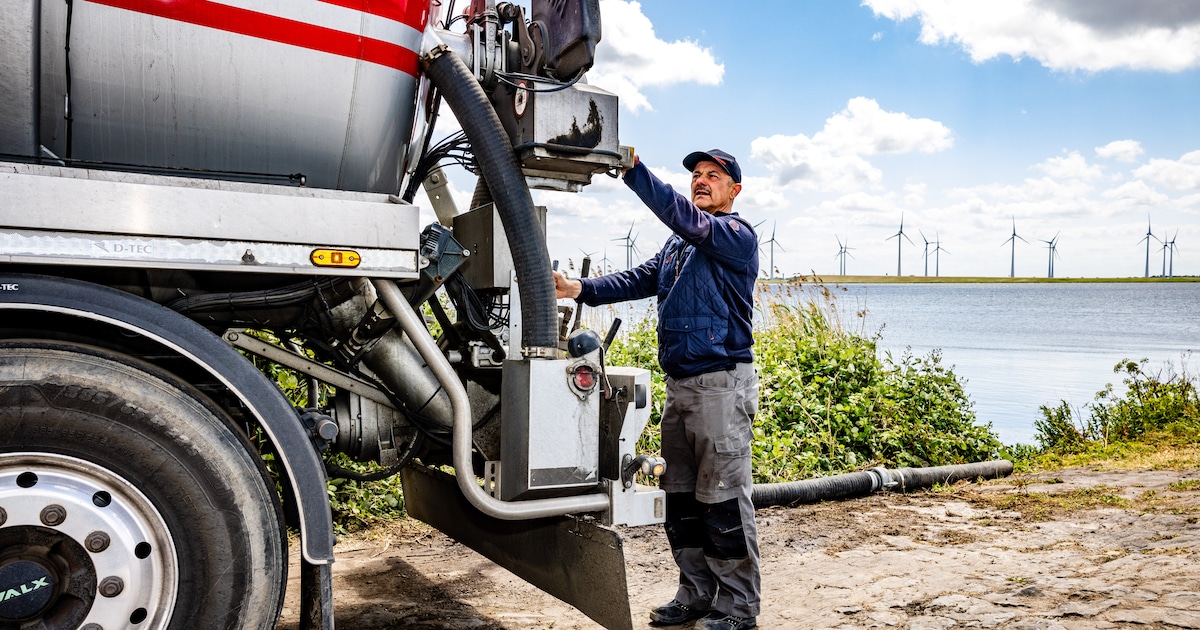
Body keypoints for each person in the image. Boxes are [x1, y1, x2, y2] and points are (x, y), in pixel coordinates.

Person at [554, 150, 760, 630]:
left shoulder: (734, 235)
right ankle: (695, 594)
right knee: (682, 498)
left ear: (735, 190)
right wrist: (578, 287)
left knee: (724, 498)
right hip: (681, 386)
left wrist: (634, 173)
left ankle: (737, 608)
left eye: (713, 176)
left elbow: (689, 221)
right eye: (696, 176)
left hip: (721, 386)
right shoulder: (678, 246)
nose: (701, 182)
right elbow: (638, 278)